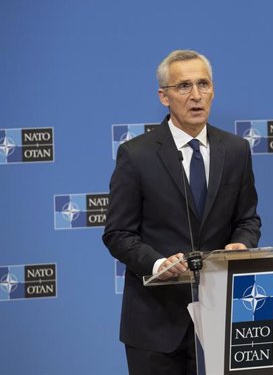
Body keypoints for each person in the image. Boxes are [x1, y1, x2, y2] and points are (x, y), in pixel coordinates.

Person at [103, 49, 261, 375]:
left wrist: (241, 245)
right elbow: (118, 234)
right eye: (183, 86)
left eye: (203, 84)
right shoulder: (137, 155)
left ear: (213, 90)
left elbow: (247, 219)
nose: (196, 95)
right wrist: (159, 264)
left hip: (221, 318)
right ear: (164, 96)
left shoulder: (235, 150)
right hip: (155, 325)